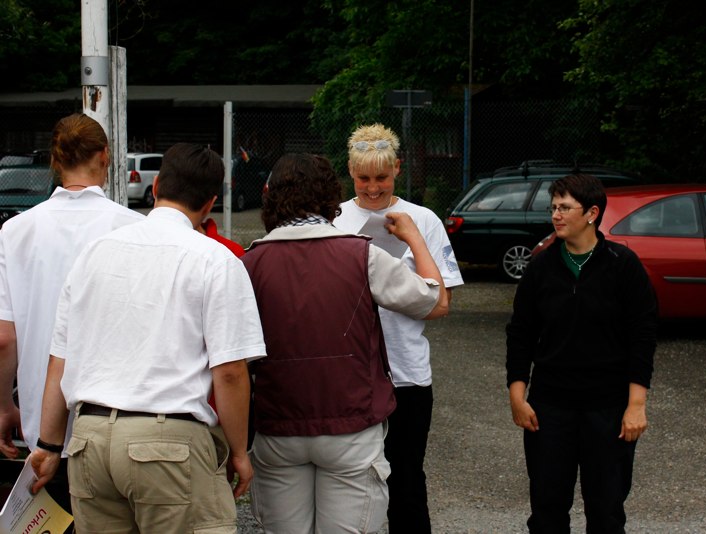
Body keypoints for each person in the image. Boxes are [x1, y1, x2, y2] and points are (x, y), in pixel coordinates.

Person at [29, 142, 266, 533]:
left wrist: (49, 445)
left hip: (89, 439)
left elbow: (61, 359)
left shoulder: (93, 253)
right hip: (167, 441)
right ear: (210, 203)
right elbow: (230, 371)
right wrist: (238, 450)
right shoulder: (215, 260)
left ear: (155, 188)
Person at [243, 153, 448, 534]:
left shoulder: (249, 262)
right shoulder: (362, 253)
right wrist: (415, 239)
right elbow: (432, 300)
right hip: (350, 423)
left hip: (278, 425)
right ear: (329, 196)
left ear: (270, 198)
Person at [0, 113, 145, 515]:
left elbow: (5, 338)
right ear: (106, 156)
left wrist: (4, 404)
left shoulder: (15, 231)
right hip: (117, 417)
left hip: (39, 423)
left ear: (54, 161)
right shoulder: (134, 227)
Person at [506, 173, 658, 533]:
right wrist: (517, 395)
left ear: (592, 213)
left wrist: (636, 404)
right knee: (547, 511)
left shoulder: (622, 264)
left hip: (608, 408)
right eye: (553, 207)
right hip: (550, 408)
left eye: (565, 207)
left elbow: (642, 336)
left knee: (606, 512)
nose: (555, 215)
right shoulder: (541, 267)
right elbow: (521, 333)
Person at [333, 123, 463, 533]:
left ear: (397, 169)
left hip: (406, 373)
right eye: (363, 178)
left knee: (406, 478)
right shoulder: (335, 218)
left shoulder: (423, 219)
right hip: (350, 372)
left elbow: (440, 306)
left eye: (382, 178)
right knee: (351, 482)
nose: (373, 188)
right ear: (350, 172)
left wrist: (410, 241)